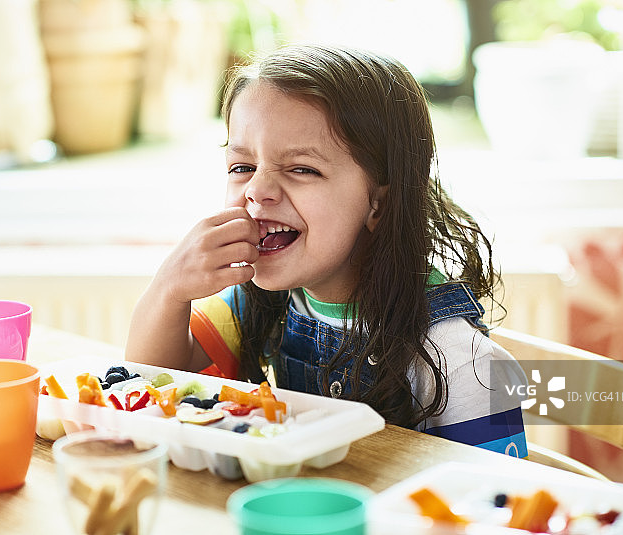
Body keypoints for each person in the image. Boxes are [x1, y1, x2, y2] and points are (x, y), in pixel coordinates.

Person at [126, 44, 528, 458]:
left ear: (380, 204)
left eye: (303, 169)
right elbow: (154, 387)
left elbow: (497, 502)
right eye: (242, 167)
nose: (257, 191)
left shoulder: (462, 363)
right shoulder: (261, 299)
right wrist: (168, 291)